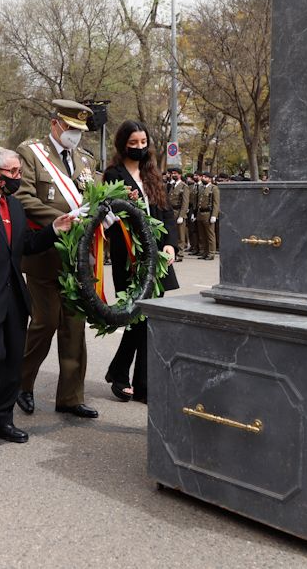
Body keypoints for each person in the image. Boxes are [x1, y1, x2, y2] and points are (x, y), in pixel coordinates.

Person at [0, 146, 77, 444]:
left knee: (12, 364)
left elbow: (25, 246)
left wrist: (54, 229)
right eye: (14, 173)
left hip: (14, 296)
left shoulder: (15, 205)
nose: (19, 178)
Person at [15, 99, 98, 419]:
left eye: (80, 130)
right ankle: (22, 384)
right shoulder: (31, 154)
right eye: (70, 128)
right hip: (44, 255)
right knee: (45, 322)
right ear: (55, 124)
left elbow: (94, 197)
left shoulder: (86, 161)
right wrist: (61, 221)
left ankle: (71, 396)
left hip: (77, 258)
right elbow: (23, 197)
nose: (75, 135)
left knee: (75, 327)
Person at [102, 121, 179, 403]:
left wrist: (170, 244)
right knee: (136, 318)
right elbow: (111, 219)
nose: (139, 147)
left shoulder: (151, 173)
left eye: (143, 142)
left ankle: (137, 380)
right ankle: (123, 375)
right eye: (133, 143)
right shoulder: (113, 175)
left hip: (157, 257)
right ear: (123, 144)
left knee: (149, 320)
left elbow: (166, 212)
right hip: (131, 258)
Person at [196, 171, 220, 260]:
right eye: (202, 177)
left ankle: (211, 253)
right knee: (202, 235)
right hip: (200, 213)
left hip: (208, 214)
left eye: (205, 177)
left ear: (209, 179)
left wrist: (214, 215)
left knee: (210, 235)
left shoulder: (214, 188)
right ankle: (205, 252)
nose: (203, 178)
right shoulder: (201, 188)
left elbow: (216, 203)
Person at [168, 168, 189, 259]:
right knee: (173, 233)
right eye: (172, 173)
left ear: (180, 175)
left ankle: (180, 253)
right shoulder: (172, 186)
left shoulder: (184, 186)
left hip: (179, 212)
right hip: (171, 212)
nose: (173, 175)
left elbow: (185, 202)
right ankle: (174, 252)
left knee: (180, 234)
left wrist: (181, 215)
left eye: (175, 173)